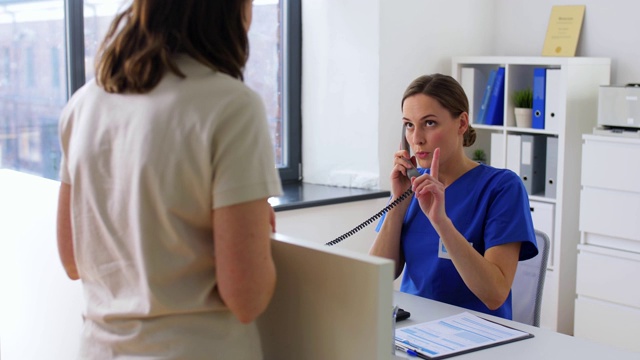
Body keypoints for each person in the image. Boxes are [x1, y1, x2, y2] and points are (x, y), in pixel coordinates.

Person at [56, 0, 282, 358]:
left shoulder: (85, 104)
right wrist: (256, 233)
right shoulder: (232, 106)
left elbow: (71, 260)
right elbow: (247, 297)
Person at [369, 73, 538, 320]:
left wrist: (441, 222)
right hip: (413, 327)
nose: (416, 138)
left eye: (429, 123)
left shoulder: (502, 188)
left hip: (475, 334)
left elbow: (494, 294)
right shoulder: (412, 185)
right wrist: (399, 202)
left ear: (461, 124)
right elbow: (378, 277)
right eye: (409, 124)